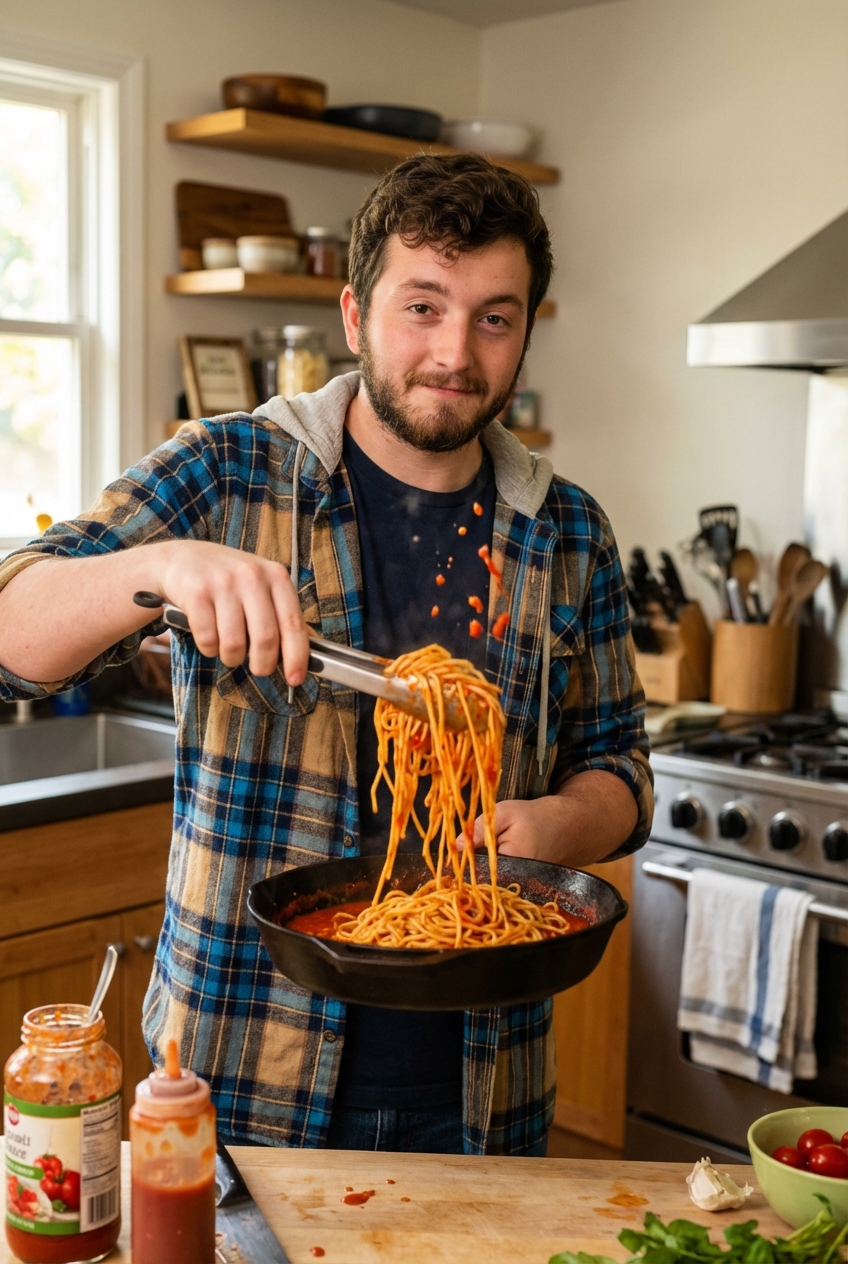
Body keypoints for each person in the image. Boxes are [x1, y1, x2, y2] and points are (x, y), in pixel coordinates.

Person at [0, 153, 652, 1157]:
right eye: (421, 307)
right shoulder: (227, 472)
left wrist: (559, 824)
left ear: (525, 329)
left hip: (486, 1097)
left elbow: (618, 766)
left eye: (493, 316)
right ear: (354, 316)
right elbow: (14, 639)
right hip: (237, 1085)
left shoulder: (566, 531)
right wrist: (164, 567)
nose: (454, 352)